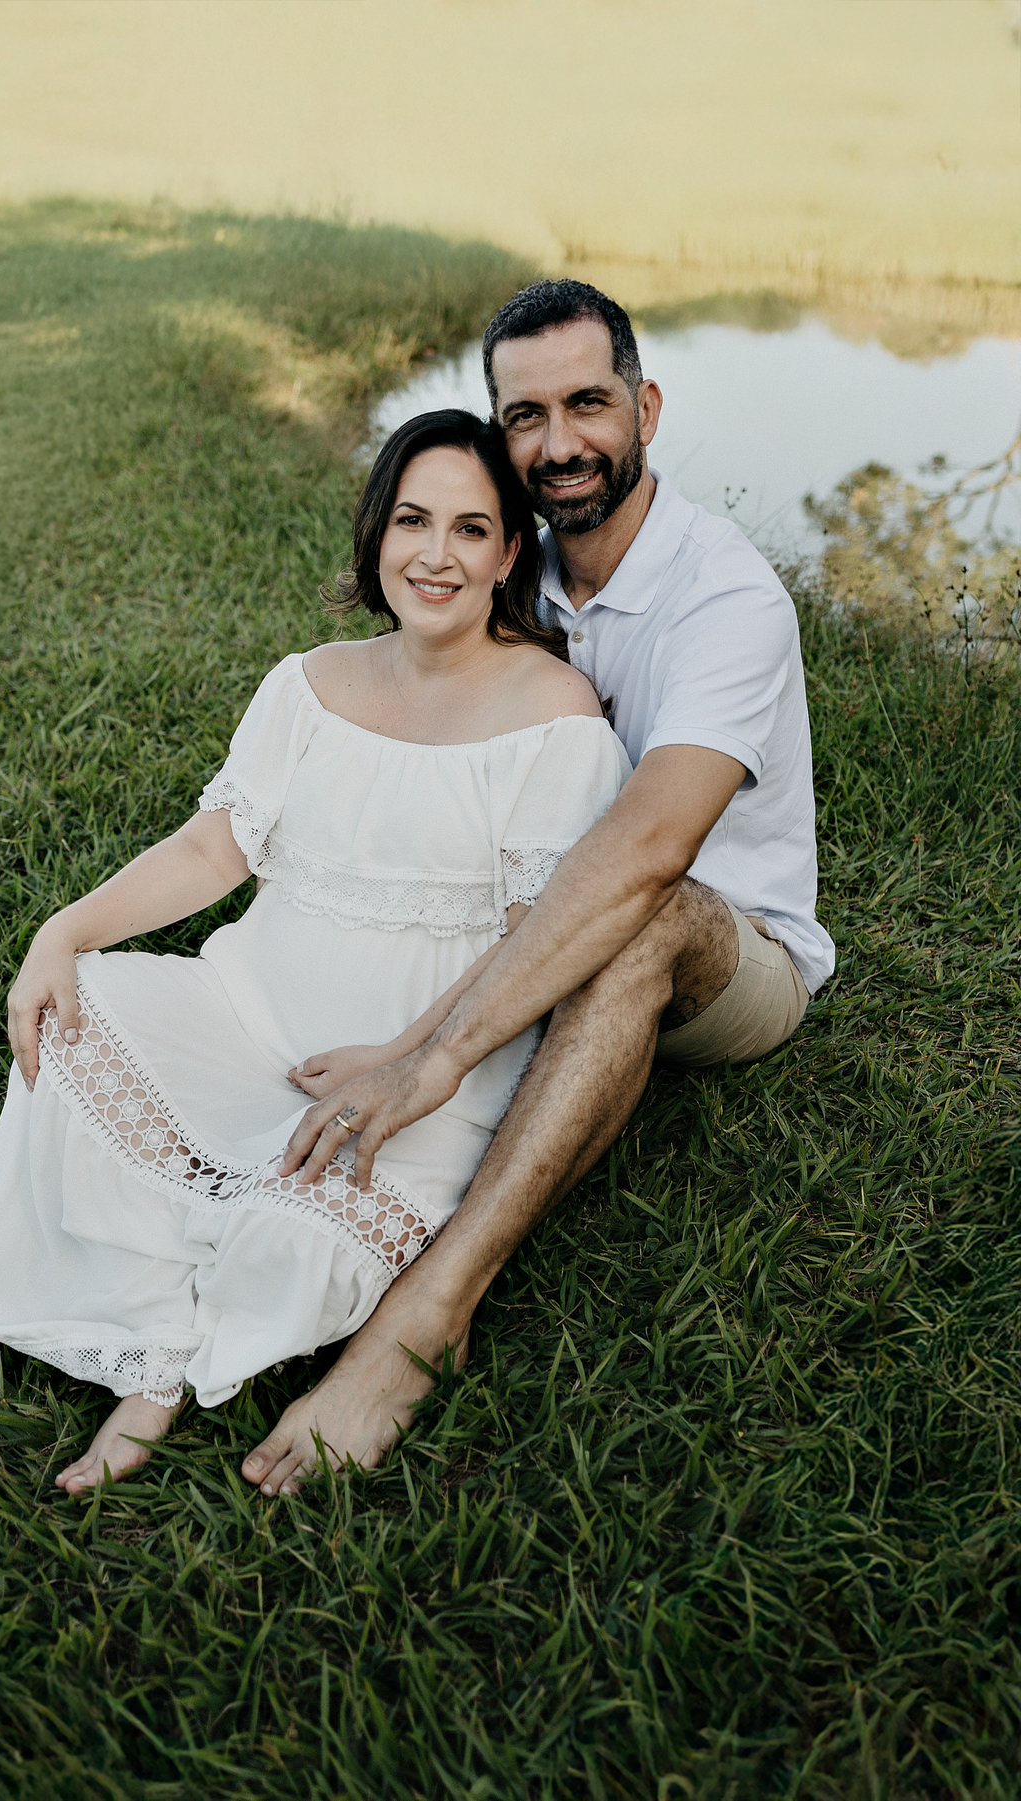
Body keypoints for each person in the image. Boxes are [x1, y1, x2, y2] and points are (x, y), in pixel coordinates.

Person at [0, 408, 628, 1493]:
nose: (435, 555)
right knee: (81, 1013)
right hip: (249, 1013)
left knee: (301, 1240)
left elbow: (534, 942)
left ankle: (173, 1353)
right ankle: (158, 1349)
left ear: (507, 557)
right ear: (377, 532)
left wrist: (402, 1056)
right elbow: (214, 848)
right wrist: (62, 929)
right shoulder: (311, 682)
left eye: (471, 529)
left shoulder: (555, 714)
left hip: (424, 1073)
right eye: (412, 520)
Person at [241, 280, 836, 1498]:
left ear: (646, 409)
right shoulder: (513, 566)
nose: (559, 444)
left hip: (728, 947)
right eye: (525, 416)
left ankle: (426, 1317)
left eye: (587, 405)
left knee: (640, 919)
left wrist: (432, 1056)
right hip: (544, 925)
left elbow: (650, 850)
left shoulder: (726, 599)